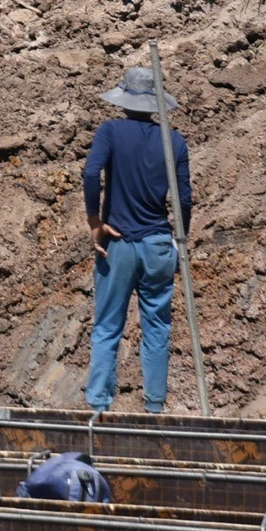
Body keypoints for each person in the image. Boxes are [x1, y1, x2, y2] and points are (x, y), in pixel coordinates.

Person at [81, 66, 194, 415]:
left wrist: (95, 222)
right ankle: (155, 407)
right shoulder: (173, 140)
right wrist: (180, 238)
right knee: (157, 326)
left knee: (107, 325)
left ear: (125, 99)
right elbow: (184, 198)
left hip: (119, 244)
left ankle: (99, 406)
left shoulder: (111, 131)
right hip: (159, 243)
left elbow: (90, 173)